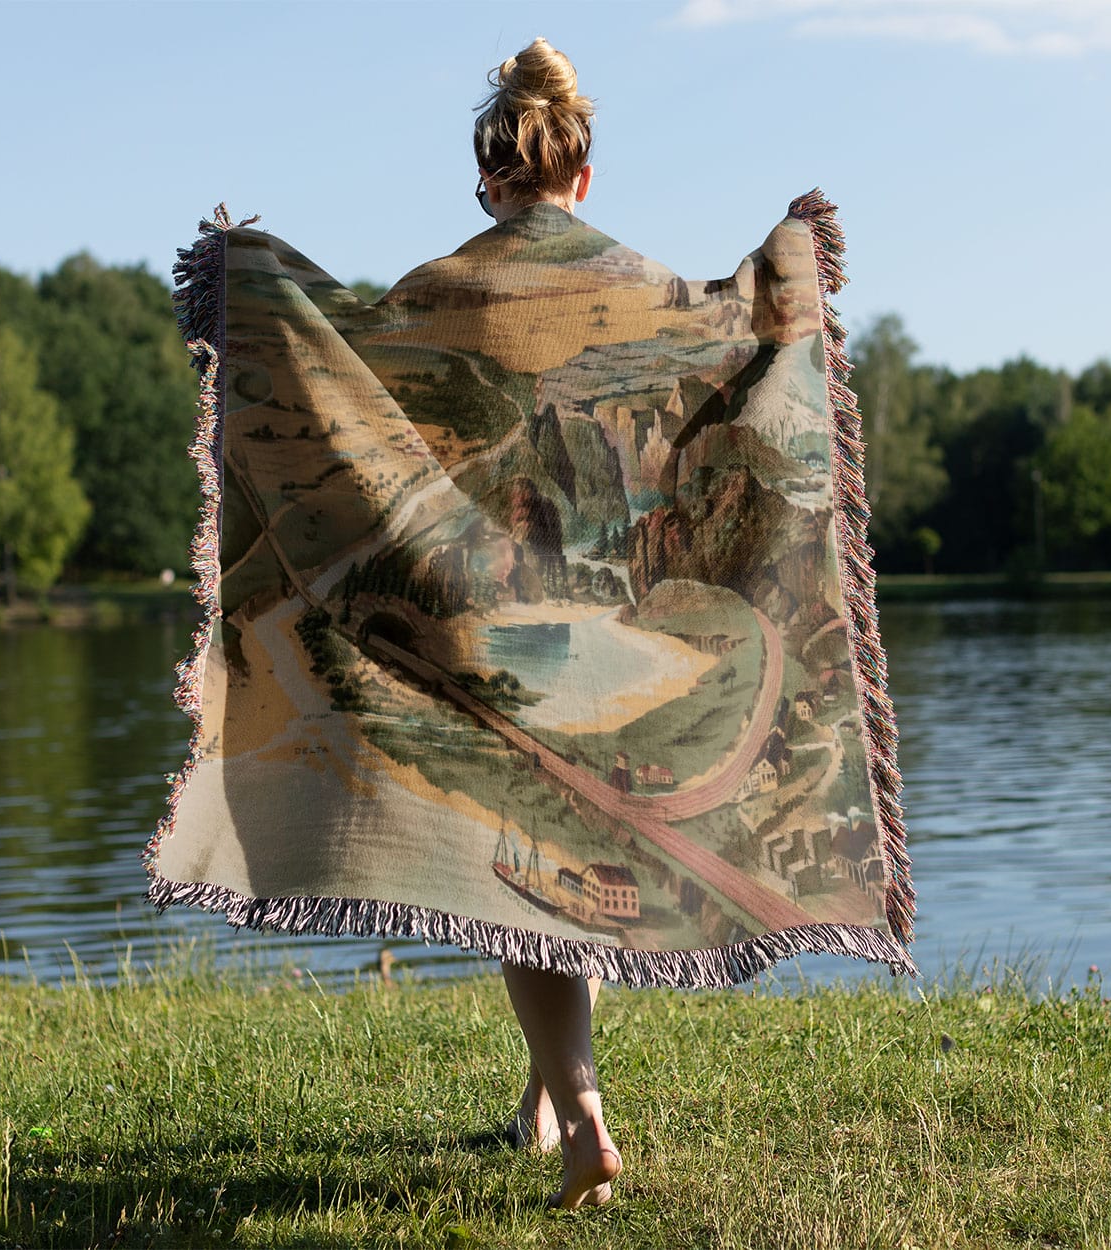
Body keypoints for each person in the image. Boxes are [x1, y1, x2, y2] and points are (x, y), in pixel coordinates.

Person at [469, 37, 622, 1212]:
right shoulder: (629, 283)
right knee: (572, 864)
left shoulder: (450, 286)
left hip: (494, 616)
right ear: (581, 172)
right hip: (615, 619)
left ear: (488, 180)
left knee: (518, 884)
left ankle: (581, 1118)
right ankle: (538, 1099)